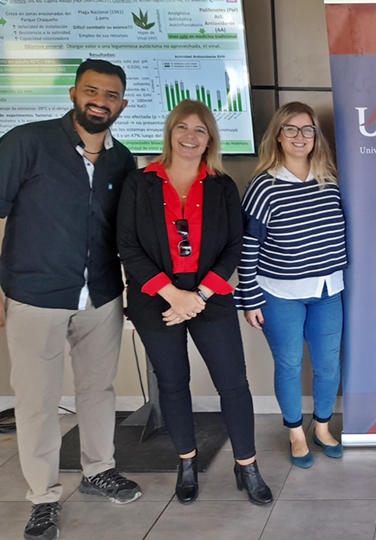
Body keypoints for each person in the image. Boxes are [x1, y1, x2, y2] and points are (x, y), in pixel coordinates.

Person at [0, 59, 142, 540]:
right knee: (37, 401)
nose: (100, 101)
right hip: (36, 295)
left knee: (98, 390)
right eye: (92, 91)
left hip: (101, 295)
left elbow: (123, 232)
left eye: (111, 95)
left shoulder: (122, 159)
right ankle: (43, 497)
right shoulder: (25, 143)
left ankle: (99, 470)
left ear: (122, 104)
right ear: (74, 93)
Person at [117, 100, 272, 506]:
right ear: (170, 133)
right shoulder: (139, 183)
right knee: (172, 384)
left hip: (211, 297)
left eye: (200, 130)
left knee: (233, 383)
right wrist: (173, 294)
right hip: (156, 299)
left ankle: (247, 465)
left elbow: (235, 246)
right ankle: (186, 461)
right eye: (182, 127)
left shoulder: (221, 185)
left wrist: (199, 295)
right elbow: (127, 245)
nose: (190, 136)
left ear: (210, 139)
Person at [235, 102, 347, 467]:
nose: (300, 137)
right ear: (278, 137)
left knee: (328, 366)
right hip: (279, 293)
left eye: (307, 129)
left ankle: (322, 428)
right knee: (289, 366)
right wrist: (249, 298)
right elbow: (248, 246)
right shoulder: (263, 186)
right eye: (291, 129)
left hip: (327, 291)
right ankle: (296, 433)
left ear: (316, 137)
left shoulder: (330, 179)